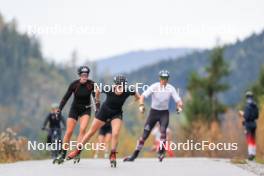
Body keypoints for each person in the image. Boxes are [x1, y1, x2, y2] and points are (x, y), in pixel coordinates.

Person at [66, 75, 141, 167]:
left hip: (116, 114)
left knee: (116, 133)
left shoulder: (128, 90)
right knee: (91, 132)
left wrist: (135, 101)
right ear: (115, 85)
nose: (120, 88)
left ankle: (113, 154)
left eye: (122, 86)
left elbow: (138, 96)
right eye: (118, 86)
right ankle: (77, 151)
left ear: (125, 86)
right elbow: (97, 90)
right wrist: (97, 101)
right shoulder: (109, 89)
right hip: (104, 112)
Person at [124, 70, 183, 162]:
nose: (164, 80)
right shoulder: (154, 87)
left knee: (163, 132)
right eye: (163, 78)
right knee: (144, 136)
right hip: (153, 113)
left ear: (168, 79)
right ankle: (134, 156)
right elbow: (142, 96)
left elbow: (178, 101)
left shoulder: (171, 88)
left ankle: (160, 152)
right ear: (160, 78)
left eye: (166, 78)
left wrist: (179, 106)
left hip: (164, 113)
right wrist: (141, 105)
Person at [53, 66, 100, 164]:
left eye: (86, 75)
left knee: (82, 130)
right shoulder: (74, 85)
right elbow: (65, 98)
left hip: (86, 109)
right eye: (83, 75)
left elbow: (96, 98)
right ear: (79, 75)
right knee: (69, 131)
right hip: (74, 109)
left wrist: (97, 109)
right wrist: (59, 109)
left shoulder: (92, 84)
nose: (84, 77)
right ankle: (63, 153)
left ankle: (77, 151)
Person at [239, 91, 259, 161]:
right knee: (253, 139)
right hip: (254, 124)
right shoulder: (255, 106)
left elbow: (246, 116)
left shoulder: (247, 106)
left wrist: (242, 113)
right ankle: (253, 154)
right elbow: (257, 116)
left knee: (249, 139)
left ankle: (251, 154)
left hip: (248, 124)